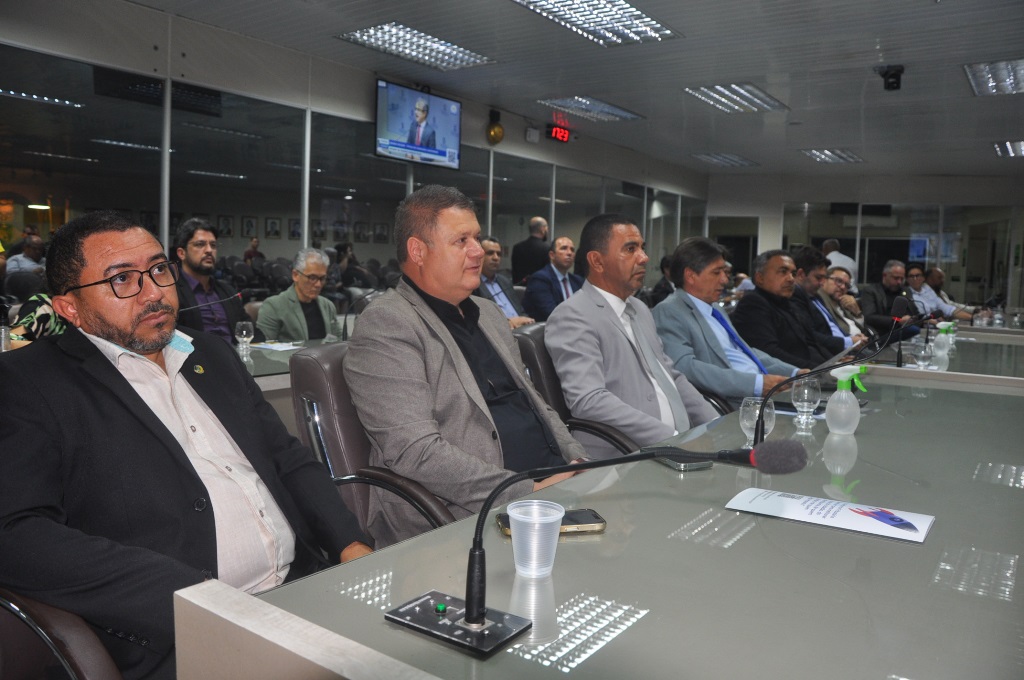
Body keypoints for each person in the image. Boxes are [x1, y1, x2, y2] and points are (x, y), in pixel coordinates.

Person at [0, 210, 370, 680]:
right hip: (185, 639)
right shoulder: (29, 384)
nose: (154, 291)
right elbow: (17, 534)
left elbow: (286, 457)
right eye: (122, 279)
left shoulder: (211, 354)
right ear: (69, 308)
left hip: (304, 591)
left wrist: (349, 542)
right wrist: (192, 596)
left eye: (158, 269)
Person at [344, 185, 584, 547]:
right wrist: (527, 491)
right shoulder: (387, 324)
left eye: (476, 237)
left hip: (550, 490)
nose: (478, 250)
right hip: (466, 515)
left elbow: (536, 405)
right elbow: (415, 451)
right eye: (461, 241)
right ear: (418, 251)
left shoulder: (488, 313)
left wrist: (577, 461)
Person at [545, 214, 718, 460]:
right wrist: (670, 438)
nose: (644, 257)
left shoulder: (639, 308)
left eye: (642, 248)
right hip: (624, 456)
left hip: (677, 446)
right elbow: (589, 400)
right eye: (630, 249)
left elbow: (671, 377)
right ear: (597, 261)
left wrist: (716, 425)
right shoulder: (572, 315)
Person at [653, 237, 800, 407]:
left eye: (724, 272)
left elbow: (744, 352)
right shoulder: (669, 310)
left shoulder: (715, 308)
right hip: (737, 403)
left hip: (762, 394)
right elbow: (686, 367)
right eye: (717, 273)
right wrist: (756, 385)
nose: (724, 279)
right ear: (691, 276)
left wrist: (794, 373)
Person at [730, 250, 835, 369]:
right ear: (760, 278)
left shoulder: (786, 302)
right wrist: (820, 369)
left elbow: (811, 342)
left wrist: (834, 362)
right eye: (783, 272)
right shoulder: (753, 304)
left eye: (793, 273)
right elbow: (769, 353)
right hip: (790, 376)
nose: (791, 279)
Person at [173, 218, 254, 345]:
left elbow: (249, 329)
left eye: (213, 245)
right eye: (200, 244)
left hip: (234, 355)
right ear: (181, 253)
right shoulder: (172, 292)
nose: (209, 250)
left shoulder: (228, 292)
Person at [791, 245, 867, 354]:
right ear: (801, 274)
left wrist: (851, 338)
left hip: (845, 350)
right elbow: (810, 337)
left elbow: (834, 329)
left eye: (847, 285)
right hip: (830, 355)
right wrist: (849, 342)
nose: (822, 283)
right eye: (818, 278)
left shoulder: (815, 297)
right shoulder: (795, 298)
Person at [257, 248, 342, 342]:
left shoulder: (328, 306)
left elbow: (340, 339)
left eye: (322, 278)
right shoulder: (274, 306)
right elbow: (263, 346)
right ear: (295, 275)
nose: (318, 284)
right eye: (312, 278)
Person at [475, 236, 534, 329]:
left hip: (521, 329)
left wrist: (527, 320)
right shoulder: (474, 285)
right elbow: (481, 319)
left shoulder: (505, 281)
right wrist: (509, 323)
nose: (496, 258)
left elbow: (520, 311)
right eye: (490, 253)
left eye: (499, 254)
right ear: (479, 255)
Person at [522, 235, 583, 321]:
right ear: (552, 255)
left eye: (572, 250)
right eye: (564, 248)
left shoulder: (578, 281)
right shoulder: (540, 279)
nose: (569, 253)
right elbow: (552, 313)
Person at [858, 259, 921, 341]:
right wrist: (898, 320)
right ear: (885, 275)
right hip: (882, 331)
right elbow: (869, 317)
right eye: (896, 278)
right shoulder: (871, 291)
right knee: (914, 330)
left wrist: (920, 318)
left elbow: (915, 312)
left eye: (902, 279)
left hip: (904, 328)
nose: (899, 282)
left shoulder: (905, 291)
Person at [817, 265, 874, 341]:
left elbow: (863, 329)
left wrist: (857, 313)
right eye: (839, 281)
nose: (843, 287)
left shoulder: (844, 303)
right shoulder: (818, 300)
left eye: (847, 285)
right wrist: (851, 341)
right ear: (824, 280)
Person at [906, 262, 972, 321]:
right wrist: (935, 321)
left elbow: (947, 309)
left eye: (918, 276)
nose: (915, 279)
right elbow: (918, 316)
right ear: (907, 279)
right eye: (911, 276)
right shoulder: (907, 294)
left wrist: (973, 318)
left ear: (923, 278)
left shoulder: (928, 290)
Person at [511, 216, 550, 284]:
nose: (548, 231)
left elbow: (514, 273)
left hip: (519, 287)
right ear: (542, 229)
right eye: (547, 228)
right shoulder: (547, 249)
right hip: (539, 287)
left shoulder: (517, 248)